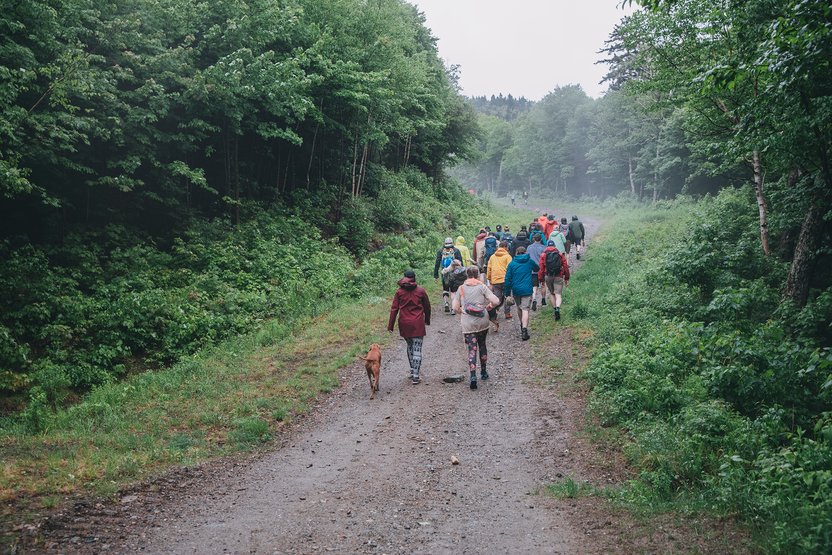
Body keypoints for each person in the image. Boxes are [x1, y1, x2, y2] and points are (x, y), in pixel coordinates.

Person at [453, 266, 501, 390]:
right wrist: (487, 307)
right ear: (478, 275)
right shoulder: (482, 287)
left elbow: (455, 307)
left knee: (472, 349)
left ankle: (473, 376)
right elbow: (496, 301)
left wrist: (461, 311)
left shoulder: (461, 288)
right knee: (482, 345)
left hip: (468, 323)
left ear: (467, 275)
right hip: (482, 321)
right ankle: (484, 372)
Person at [388, 270, 432, 384]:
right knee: (417, 349)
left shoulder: (399, 292)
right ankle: (416, 376)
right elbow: (427, 307)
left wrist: (390, 325)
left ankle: (412, 370)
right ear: (414, 278)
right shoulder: (420, 291)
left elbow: (394, 309)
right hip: (417, 323)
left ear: (404, 278)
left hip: (404, 323)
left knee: (410, 346)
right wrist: (427, 319)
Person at [504, 246, 539, 341]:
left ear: (516, 253)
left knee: (519, 307)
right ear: (525, 252)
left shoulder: (512, 264)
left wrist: (507, 293)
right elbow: (537, 268)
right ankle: (524, 329)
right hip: (527, 289)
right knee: (525, 309)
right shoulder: (529, 261)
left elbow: (507, 279)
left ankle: (522, 324)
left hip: (516, 290)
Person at [538, 240, 570, 321]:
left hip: (548, 276)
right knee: (558, 294)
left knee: (552, 293)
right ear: (555, 246)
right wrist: (566, 278)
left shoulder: (543, 255)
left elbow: (541, 269)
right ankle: (558, 308)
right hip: (558, 276)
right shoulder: (559, 254)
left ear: (547, 246)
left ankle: (555, 308)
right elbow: (565, 266)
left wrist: (541, 280)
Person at [433, 237, 463, 313]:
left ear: (444, 243)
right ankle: (453, 308)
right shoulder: (456, 251)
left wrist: (435, 275)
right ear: (452, 243)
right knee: (453, 291)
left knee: (445, 289)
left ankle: (446, 303)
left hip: (444, 273)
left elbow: (437, 263)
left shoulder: (440, 251)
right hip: (454, 273)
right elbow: (460, 263)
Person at [486, 240, 513, 322]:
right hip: (505, 280)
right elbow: (510, 268)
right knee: (507, 296)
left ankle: (495, 313)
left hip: (495, 280)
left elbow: (489, 268)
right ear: (505, 247)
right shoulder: (508, 256)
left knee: (497, 298)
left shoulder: (492, 257)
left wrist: (489, 278)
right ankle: (507, 313)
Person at [525, 232, 547, 310]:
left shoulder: (529, 247)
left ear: (533, 239)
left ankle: (534, 299)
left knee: (534, 286)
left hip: (532, 270)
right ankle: (543, 300)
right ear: (541, 239)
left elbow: (527, 258)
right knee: (543, 284)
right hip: (541, 269)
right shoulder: (544, 248)